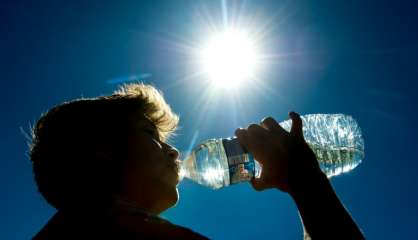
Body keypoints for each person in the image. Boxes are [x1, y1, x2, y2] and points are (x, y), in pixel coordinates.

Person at [30, 83, 364, 239]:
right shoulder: (126, 234)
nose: (173, 152)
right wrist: (308, 185)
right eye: (151, 134)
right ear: (100, 149)